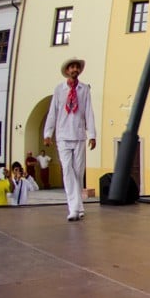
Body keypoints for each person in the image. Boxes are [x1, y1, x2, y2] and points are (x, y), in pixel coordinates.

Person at [43, 58, 96, 221]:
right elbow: (53, 112)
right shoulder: (59, 89)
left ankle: (78, 207)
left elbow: (89, 112)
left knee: (78, 171)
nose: (74, 69)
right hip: (63, 135)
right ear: (67, 71)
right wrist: (48, 133)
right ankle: (73, 208)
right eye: (72, 67)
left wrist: (92, 134)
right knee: (67, 170)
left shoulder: (84, 89)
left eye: (77, 67)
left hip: (79, 135)